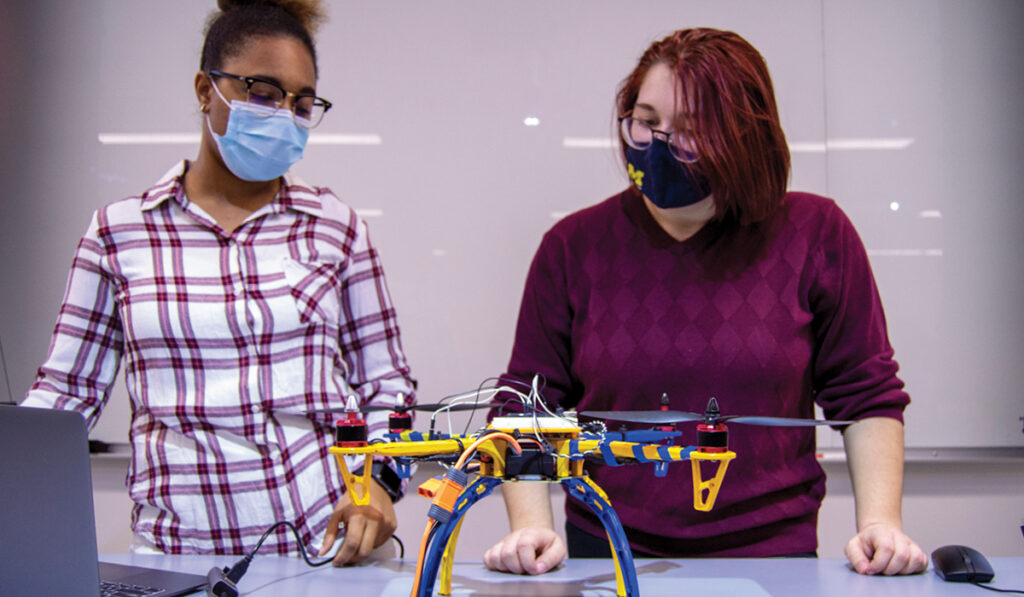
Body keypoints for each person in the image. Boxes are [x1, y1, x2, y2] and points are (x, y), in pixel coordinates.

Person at [483, 28, 927, 576]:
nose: (659, 145)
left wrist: (880, 522)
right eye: (646, 121)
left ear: (743, 139)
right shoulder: (573, 248)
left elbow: (867, 396)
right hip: (608, 554)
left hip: (774, 558)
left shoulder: (815, 234)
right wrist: (531, 526)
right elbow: (526, 404)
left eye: (690, 133)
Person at [21, 0, 415, 566]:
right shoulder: (120, 233)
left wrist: (379, 483)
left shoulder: (337, 228)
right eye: (262, 92)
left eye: (302, 103)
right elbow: (62, 401)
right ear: (207, 89)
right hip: (175, 559)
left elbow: (388, 387)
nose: (284, 115)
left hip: (324, 556)